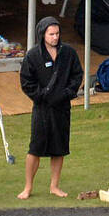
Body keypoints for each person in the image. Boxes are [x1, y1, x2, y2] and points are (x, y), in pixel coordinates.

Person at [18, 16, 83, 199]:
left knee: (59, 147)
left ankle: (54, 186)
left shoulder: (68, 53)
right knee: (35, 148)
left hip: (62, 107)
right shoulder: (32, 56)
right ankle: (28, 187)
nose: (55, 37)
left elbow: (77, 75)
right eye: (51, 34)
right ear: (43, 34)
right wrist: (41, 97)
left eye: (57, 33)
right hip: (42, 108)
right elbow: (26, 82)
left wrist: (67, 93)